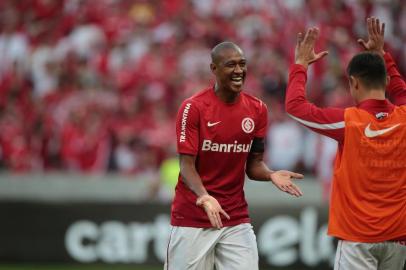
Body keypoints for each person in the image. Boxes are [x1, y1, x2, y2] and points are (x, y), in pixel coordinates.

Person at [164, 41, 304, 270]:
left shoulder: (258, 109)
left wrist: (270, 175)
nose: (238, 70)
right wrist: (204, 197)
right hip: (193, 218)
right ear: (214, 69)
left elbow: (254, 165)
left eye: (242, 64)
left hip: (234, 217)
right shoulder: (193, 108)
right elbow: (186, 166)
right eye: (231, 65)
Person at [286, 17, 406, 270]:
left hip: (357, 238)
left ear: (354, 83)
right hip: (398, 239)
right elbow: (402, 91)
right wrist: (384, 56)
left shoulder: (348, 121)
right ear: (385, 82)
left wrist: (300, 65)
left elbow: (295, 107)